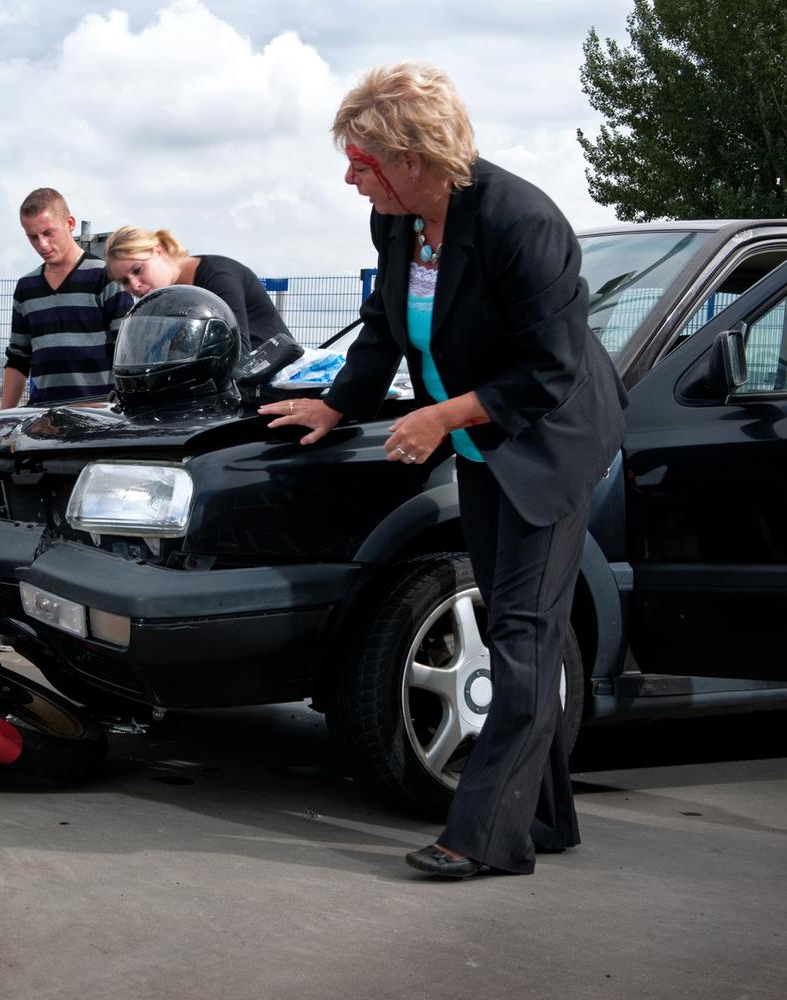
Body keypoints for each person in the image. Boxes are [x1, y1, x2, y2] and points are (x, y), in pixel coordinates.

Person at [260, 62, 626, 878]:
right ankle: (546, 817)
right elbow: (383, 327)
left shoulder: (521, 221)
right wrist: (339, 406)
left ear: (413, 156)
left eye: (362, 160)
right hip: (481, 440)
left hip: (548, 439)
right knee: (509, 622)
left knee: (522, 635)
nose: (349, 176)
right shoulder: (396, 224)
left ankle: (485, 837)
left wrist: (442, 415)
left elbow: (551, 371)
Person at [4, 188, 132, 408]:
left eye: (48, 233)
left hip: (100, 417)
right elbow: (18, 358)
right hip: (44, 418)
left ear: (70, 224)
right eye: (32, 237)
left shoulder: (107, 277)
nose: (42, 244)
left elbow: (128, 353)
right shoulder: (26, 287)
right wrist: (1, 419)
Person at [104, 225, 303, 354]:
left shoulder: (219, 276)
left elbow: (237, 351)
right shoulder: (165, 297)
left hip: (272, 385)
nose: (134, 286)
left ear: (158, 251)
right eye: (124, 282)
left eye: (138, 270)